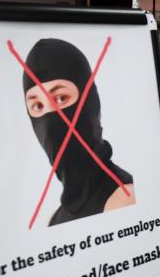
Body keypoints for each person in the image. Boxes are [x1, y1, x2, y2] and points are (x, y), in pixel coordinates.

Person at [22, 38, 136, 226]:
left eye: (60, 98)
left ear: (90, 101)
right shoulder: (55, 217)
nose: (50, 120)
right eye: (37, 105)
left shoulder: (123, 200)